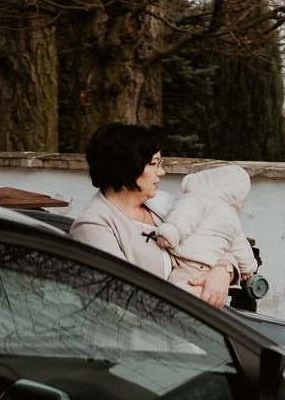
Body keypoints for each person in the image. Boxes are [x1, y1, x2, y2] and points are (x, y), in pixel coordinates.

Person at [67, 122, 192, 287]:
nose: (161, 172)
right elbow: (120, 293)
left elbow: (217, 232)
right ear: (127, 167)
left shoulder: (163, 202)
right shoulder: (93, 226)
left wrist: (222, 270)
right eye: (154, 163)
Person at [158, 163, 261, 307]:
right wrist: (248, 268)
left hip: (186, 259)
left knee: (180, 288)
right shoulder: (232, 219)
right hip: (210, 266)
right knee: (205, 295)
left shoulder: (196, 199)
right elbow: (241, 247)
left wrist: (170, 233)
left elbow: (182, 218)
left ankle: (184, 294)